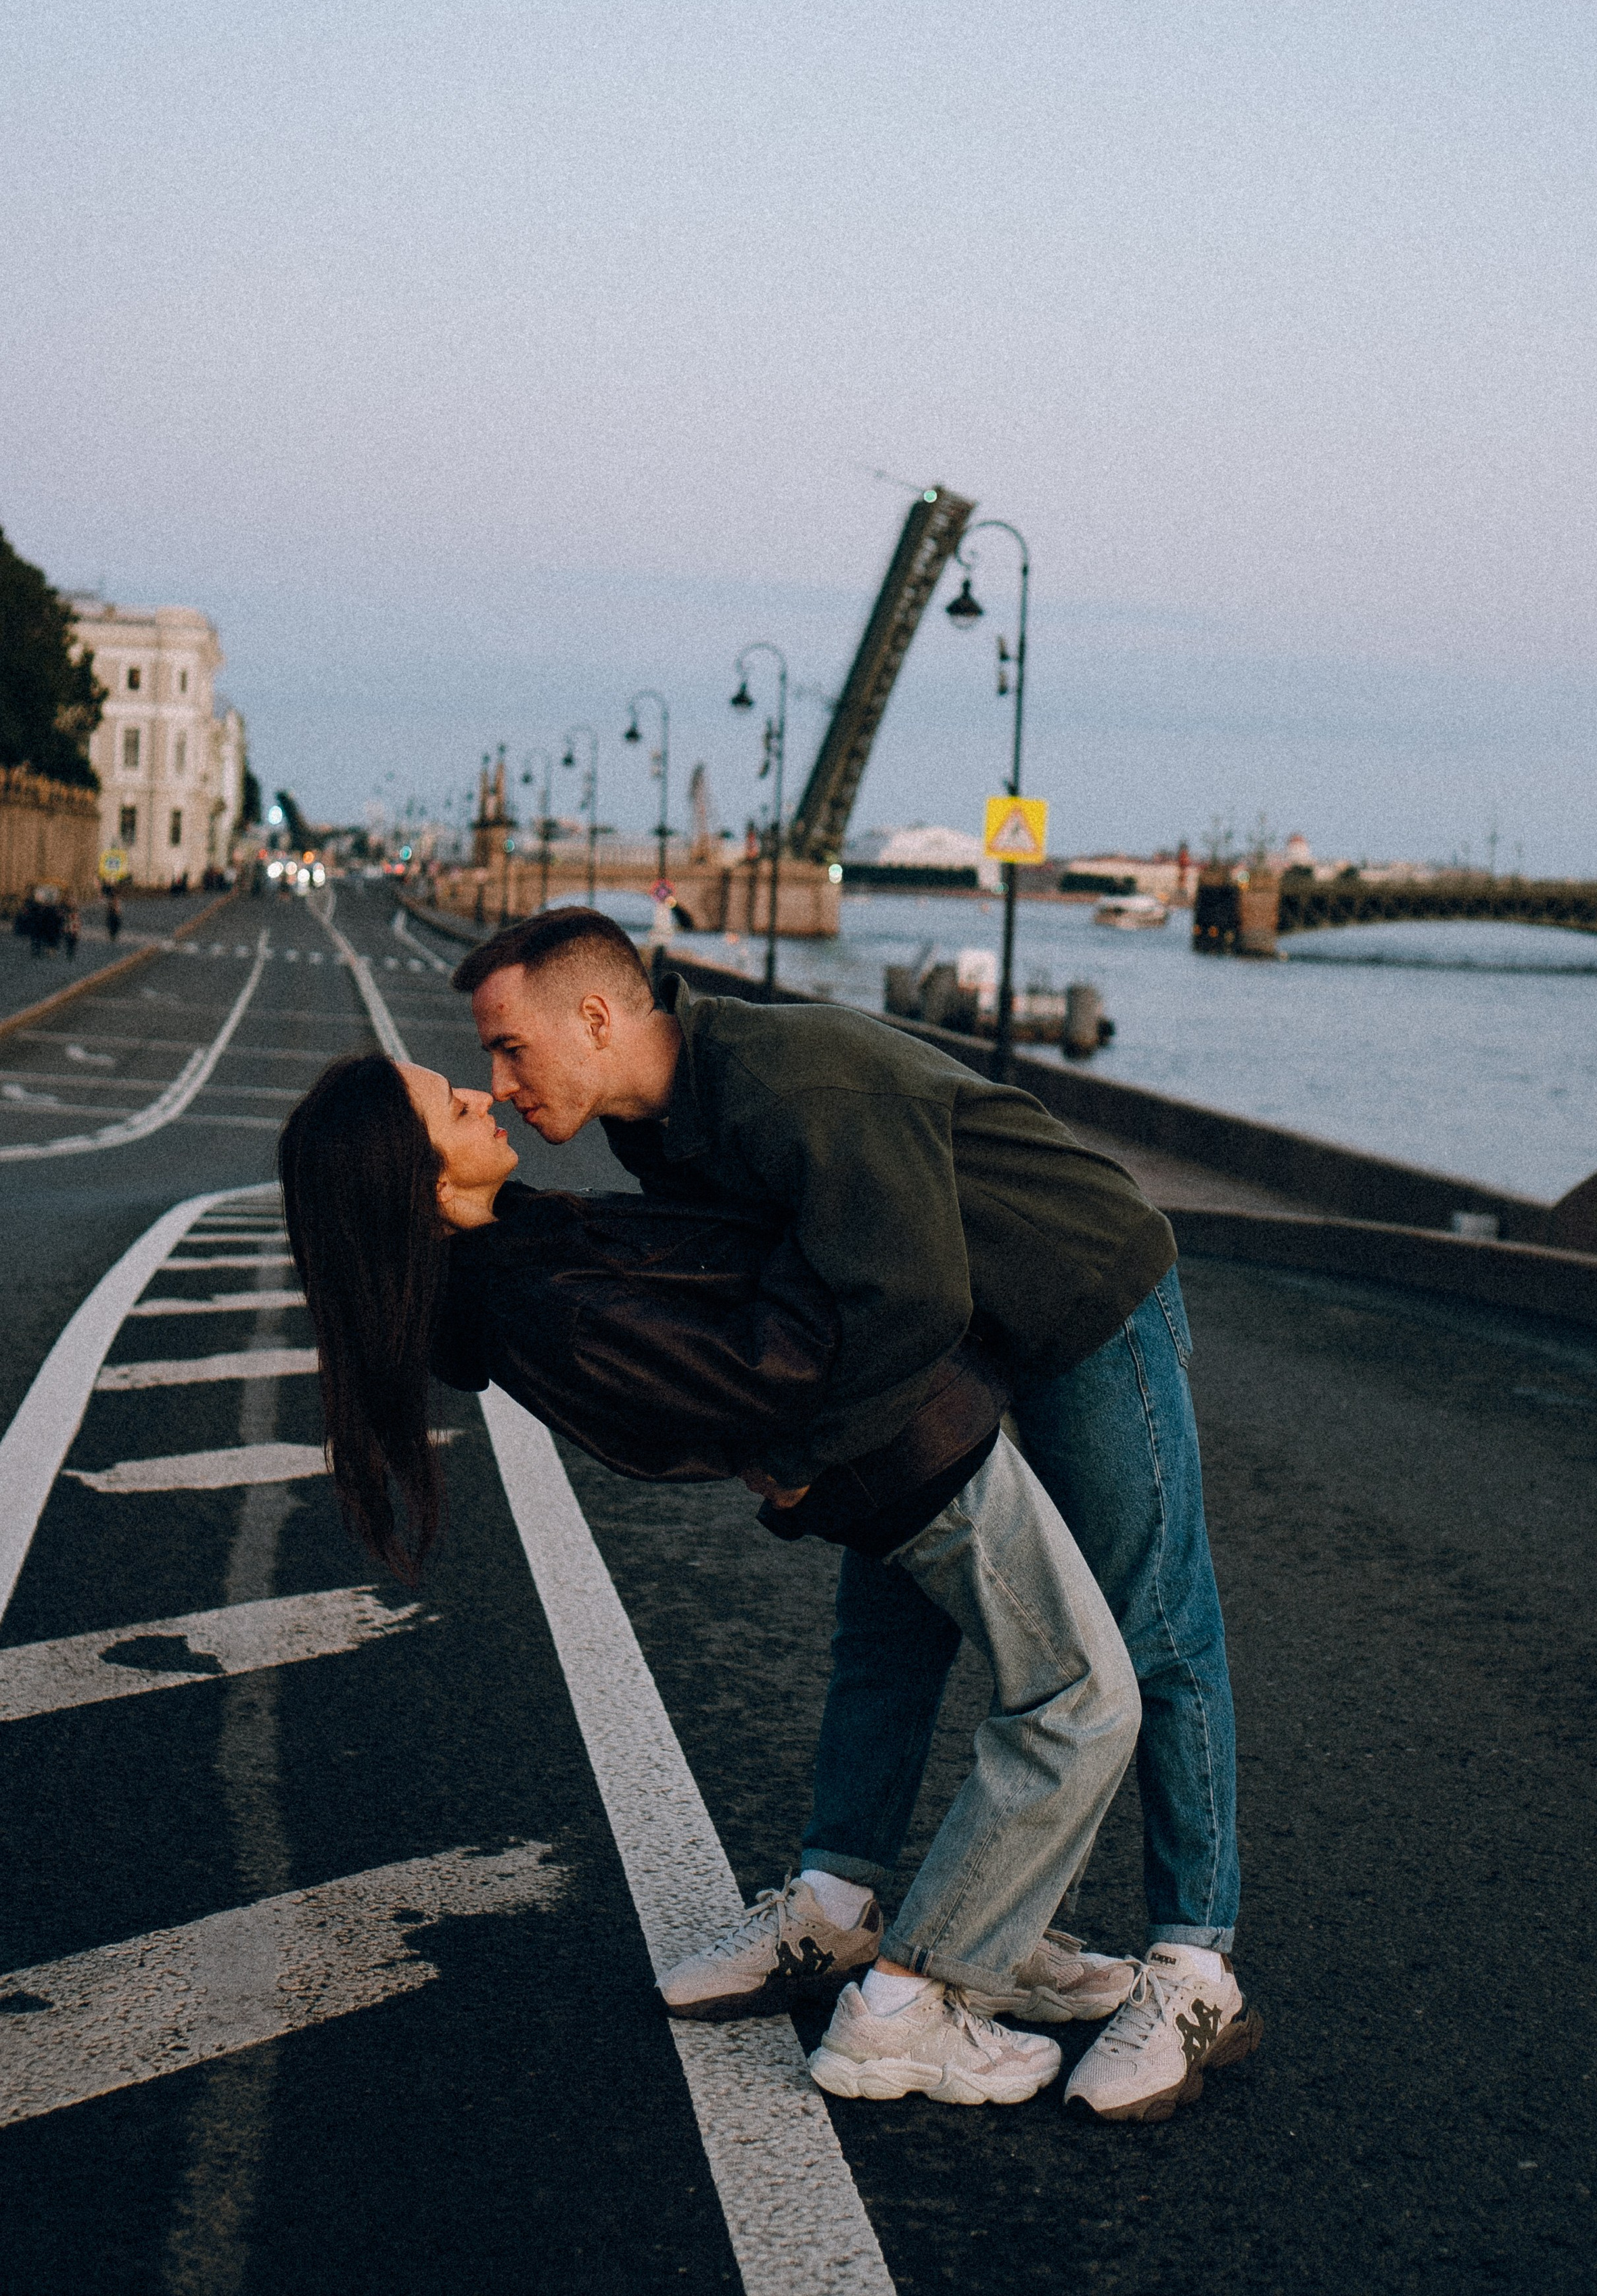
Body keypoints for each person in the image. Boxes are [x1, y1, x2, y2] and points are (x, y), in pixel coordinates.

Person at [453, 905, 1263, 2125]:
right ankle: (840, 1906)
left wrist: (801, 1461)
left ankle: (1195, 1962)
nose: (500, 1084)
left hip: (1075, 1292)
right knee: (884, 1634)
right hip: (939, 1354)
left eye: (512, 1049)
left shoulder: (786, 1084)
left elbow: (907, 1297)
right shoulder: (664, 1128)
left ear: (598, 1016)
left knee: (1150, 1624)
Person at [279, 1050, 1146, 2110]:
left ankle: (991, 1936)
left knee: (945, 1675)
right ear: (421, 1185)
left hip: (900, 1442)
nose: (485, 1092)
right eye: (451, 1106)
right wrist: (851, 1224)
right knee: (1081, 1702)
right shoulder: (532, 1295)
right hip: (910, 1451)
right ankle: (910, 2004)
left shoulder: (518, 1250)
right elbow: (757, 1372)